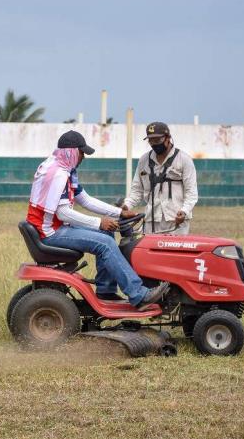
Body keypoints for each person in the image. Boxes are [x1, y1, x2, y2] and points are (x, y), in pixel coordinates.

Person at [27, 130, 169, 310]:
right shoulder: (58, 174)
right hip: (50, 232)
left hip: (52, 227)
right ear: (71, 151)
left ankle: (105, 290)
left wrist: (119, 213)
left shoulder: (64, 170)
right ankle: (139, 295)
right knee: (105, 243)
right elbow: (63, 213)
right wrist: (98, 222)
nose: (83, 157)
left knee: (107, 232)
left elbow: (85, 200)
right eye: (81, 152)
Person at [122, 122, 198, 235]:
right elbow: (137, 190)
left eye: (157, 140)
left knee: (174, 252)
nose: (154, 144)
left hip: (176, 221)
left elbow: (191, 192)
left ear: (168, 138)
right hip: (151, 220)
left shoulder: (184, 159)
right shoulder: (144, 160)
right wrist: (126, 205)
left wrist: (184, 211)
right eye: (151, 141)